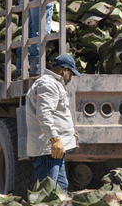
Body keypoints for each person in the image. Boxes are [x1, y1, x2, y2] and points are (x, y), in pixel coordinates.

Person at [25, 54, 80, 192]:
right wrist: (55, 139)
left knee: (61, 189)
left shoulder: (52, 84)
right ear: (64, 70)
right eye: (71, 74)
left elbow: (57, 115)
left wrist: (70, 132)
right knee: (47, 192)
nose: (71, 78)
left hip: (54, 150)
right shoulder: (48, 84)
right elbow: (44, 114)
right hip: (48, 150)